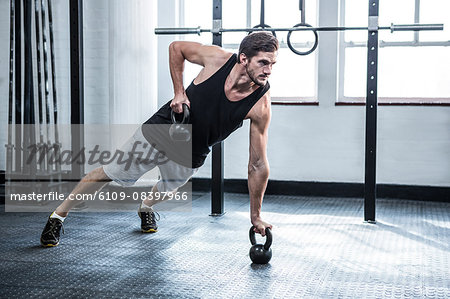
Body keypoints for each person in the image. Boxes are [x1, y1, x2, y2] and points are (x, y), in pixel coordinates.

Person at [40, 31, 278, 247]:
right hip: (163, 128)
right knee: (109, 172)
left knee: (166, 191)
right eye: (263, 63)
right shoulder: (217, 59)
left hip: (193, 151)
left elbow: (257, 164)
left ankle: (145, 207)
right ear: (244, 58)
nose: (268, 71)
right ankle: (58, 216)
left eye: (273, 64)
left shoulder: (260, 105)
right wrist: (179, 92)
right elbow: (176, 48)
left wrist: (255, 215)